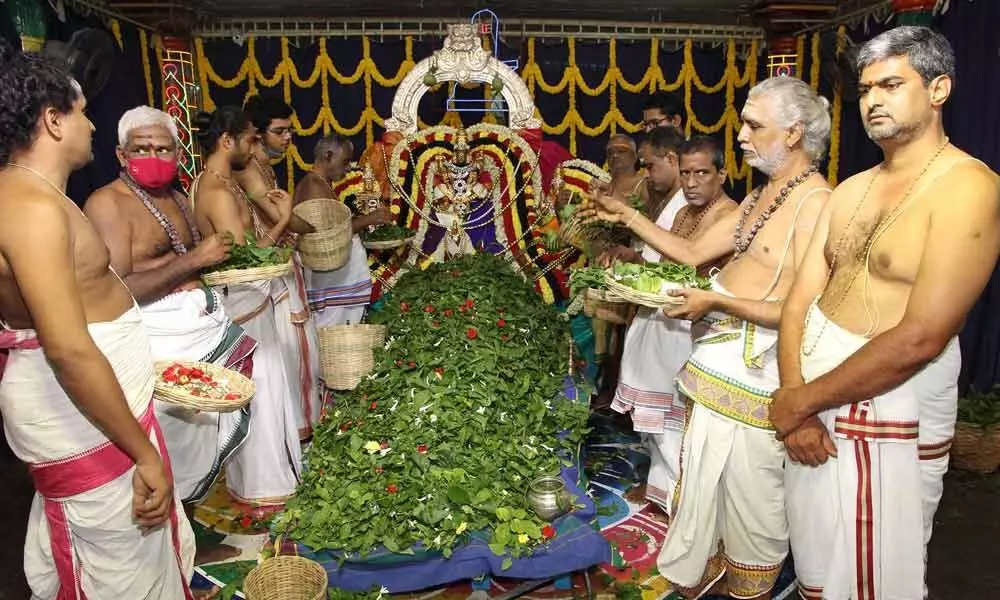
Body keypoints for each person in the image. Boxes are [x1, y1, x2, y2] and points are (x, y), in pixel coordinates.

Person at [582, 76, 832, 598]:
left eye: (752, 124)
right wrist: (625, 212)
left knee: (752, 513)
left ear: (793, 133)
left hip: (757, 374)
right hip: (715, 365)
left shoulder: (816, 204)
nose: (740, 135)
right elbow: (692, 254)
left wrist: (716, 301)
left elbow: (799, 309)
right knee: (707, 498)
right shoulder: (764, 194)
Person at [773, 26, 1000, 600]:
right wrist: (796, 399)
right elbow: (799, 301)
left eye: (892, 84)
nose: (873, 99)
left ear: (939, 89)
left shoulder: (968, 188)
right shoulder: (850, 188)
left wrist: (800, 401)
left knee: (878, 572)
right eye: (867, 87)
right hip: (812, 402)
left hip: (888, 395)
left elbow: (921, 337)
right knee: (818, 565)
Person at [0, 42, 194, 598]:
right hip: (76, 411)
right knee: (118, 570)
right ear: (53, 120)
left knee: (134, 556)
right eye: (83, 111)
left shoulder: (38, 196)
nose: (91, 125)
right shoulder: (31, 207)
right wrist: (144, 453)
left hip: (89, 407)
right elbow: (66, 349)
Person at [83, 106, 258, 560]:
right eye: (142, 148)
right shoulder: (108, 203)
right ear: (122, 154)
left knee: (197, 442)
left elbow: (183, 255)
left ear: (178, 153)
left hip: (198, 333)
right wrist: (192, 262)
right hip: (158, 346)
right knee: (167, 447)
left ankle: (189, 533)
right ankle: (169, 546)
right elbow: (116, 286)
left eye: (164, 148)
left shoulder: (177, 197)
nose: (154, 156)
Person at [608, 135, 737, 512]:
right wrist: (633, 267)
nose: (692, 182)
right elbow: (666, 267)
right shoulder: (683, 213)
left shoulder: (728, 215)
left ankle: (685, 503)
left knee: (675, 423)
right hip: (661, 322)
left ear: (722, 174)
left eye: (702, 173)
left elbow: (697, 267)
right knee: (653, 420)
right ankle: (661, 490)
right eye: (687, 174)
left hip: (692, 330)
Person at [191, 106, 302, 505]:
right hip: (244, 308)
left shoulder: (222, 182)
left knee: (268, 393)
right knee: (263, 394)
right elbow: (245, 261)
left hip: (248, 304)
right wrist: (283, 220)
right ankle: (264, 487)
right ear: (228, 141)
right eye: (251, 139)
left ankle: (266, 480)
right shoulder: (218, 191)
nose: (255, 147)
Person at [236, 94, 321, 440]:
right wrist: (313, 226)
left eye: (290, 131)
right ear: (256, 134)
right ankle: (295, 437)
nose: (288, 138)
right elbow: (278, 219)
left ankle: (302, 432)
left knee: (301, 352)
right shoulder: (248, 172)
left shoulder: (264, 168)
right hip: (267, 279)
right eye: (280, 131)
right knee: (289, 352)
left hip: (282, 267)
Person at [296, 135, 391, 327]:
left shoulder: (320, 183)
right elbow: (327, 235)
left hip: (333, 281)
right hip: (329, 283)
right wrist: (369, 219)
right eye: (345, 161)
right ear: (328, 155)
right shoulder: (314, 186)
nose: (349, 168)